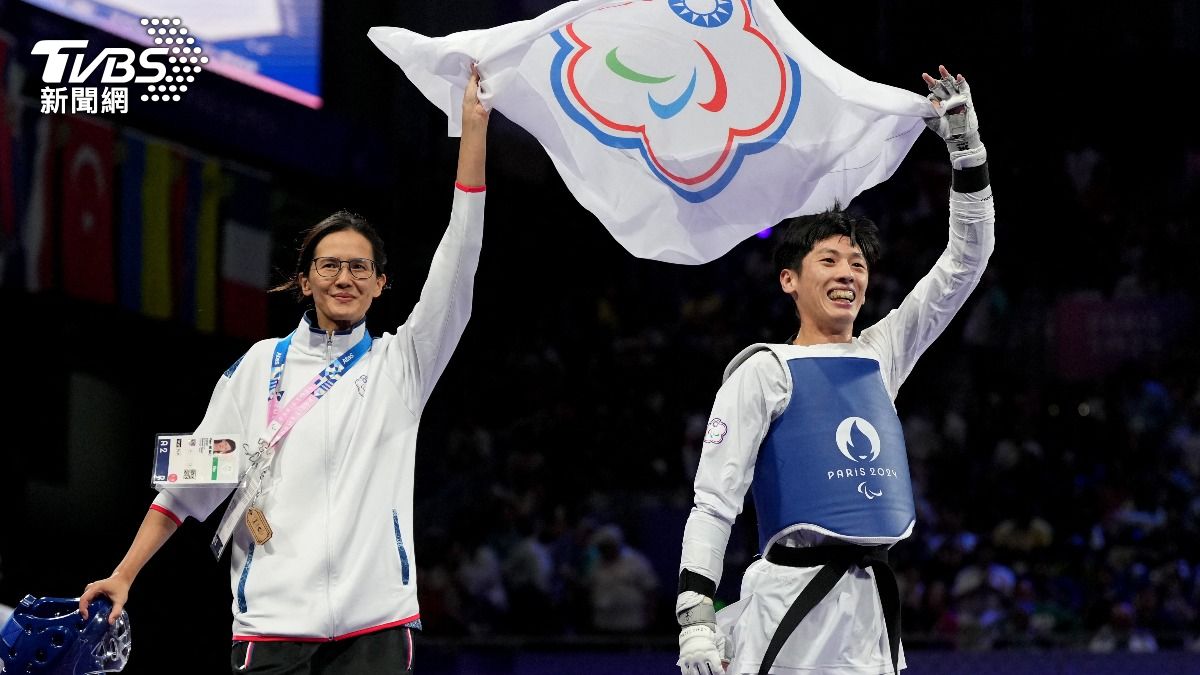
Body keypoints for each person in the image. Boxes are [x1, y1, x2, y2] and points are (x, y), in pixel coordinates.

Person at [78, 67, 491, 674]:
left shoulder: (403, 363)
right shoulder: (254, 368)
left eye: (359, 267)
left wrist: (474, 133)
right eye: (328, 265)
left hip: (374, 626)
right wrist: (124, 574)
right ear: (304, 280)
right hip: (270, 627)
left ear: (380, 284)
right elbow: (187, 486)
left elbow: (459, 258)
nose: (343, 278)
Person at [675, 65, 995, 675]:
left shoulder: (882, 355)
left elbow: (966, 260)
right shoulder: (764, 372)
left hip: (870, 611)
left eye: (857, 262)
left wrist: (966, 149)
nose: (848, 272)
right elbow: (714, 504)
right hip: (786, 608)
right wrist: (696, 618)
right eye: (829, 259)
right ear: (789, 281)